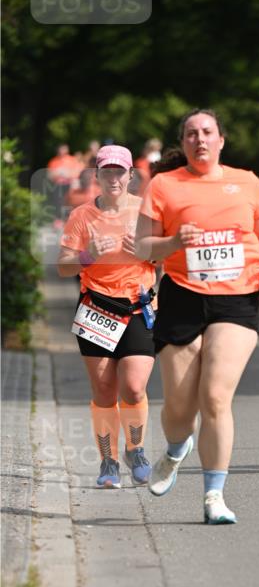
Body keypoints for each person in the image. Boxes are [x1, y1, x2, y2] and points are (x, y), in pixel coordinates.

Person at [135, 108, 259, 524]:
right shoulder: (164, 184)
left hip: (236, 298)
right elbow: (141, 247)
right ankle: (175, 448)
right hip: (182, 295)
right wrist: (172, 241)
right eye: (191, 134)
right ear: (182, 144)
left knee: (215, 396)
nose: (200, 140)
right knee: (180, 409)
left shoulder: (247, 181)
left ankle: (214, 495)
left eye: (207, 132)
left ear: (221, 140)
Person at [57, 145, 156, 488]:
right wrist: (87, 255)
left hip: (137, 307)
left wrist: (147, 252)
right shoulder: (82, 215)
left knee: (134, 386)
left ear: (131, 176)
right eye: (107, 171)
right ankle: (109, 462)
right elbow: (61, 265)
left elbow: (166, 258)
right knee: (104, 391)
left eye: (120, 171)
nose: (114, 178)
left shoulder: (146, 211)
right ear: (97, 176)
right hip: (96, 309)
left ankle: (137, 449)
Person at [47, 143, 81, 225]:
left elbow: (77, 172)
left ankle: (71, 218)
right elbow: (50, 175)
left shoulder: (72, 160)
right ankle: (58, 219)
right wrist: (58, 173)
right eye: (61, 149)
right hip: (58, 185)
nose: (63, 151)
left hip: (70, 184)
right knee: (58, 200)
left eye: (64, 149)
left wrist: (67, 174)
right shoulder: (54, 161)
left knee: (71, 200)